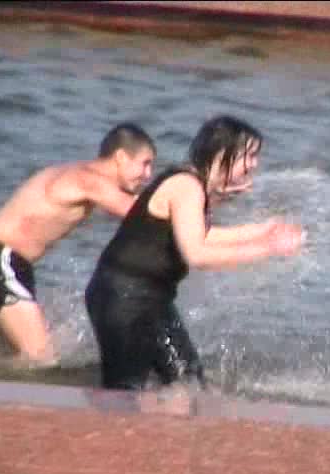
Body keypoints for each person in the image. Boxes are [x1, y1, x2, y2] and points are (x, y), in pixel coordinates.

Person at [85, 115, 303, 392]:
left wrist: (263, 231)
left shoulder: (193, 185)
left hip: (150, 300)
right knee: (124, 391)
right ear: (222, 153)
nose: (254, 164)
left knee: (189, 385)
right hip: (122, 298)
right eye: (249, 156)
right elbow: (196, 254)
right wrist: (268, 248)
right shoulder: (186, 186)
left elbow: (202, 236)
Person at [0, 123, 156, 367]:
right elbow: (138, 213)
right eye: (145, 163)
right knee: (42, 360)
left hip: (4, 262)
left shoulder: (81, 175)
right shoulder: (89, 180)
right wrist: (182, 203)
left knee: (15, 358)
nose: (148, 174)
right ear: (120, 157)